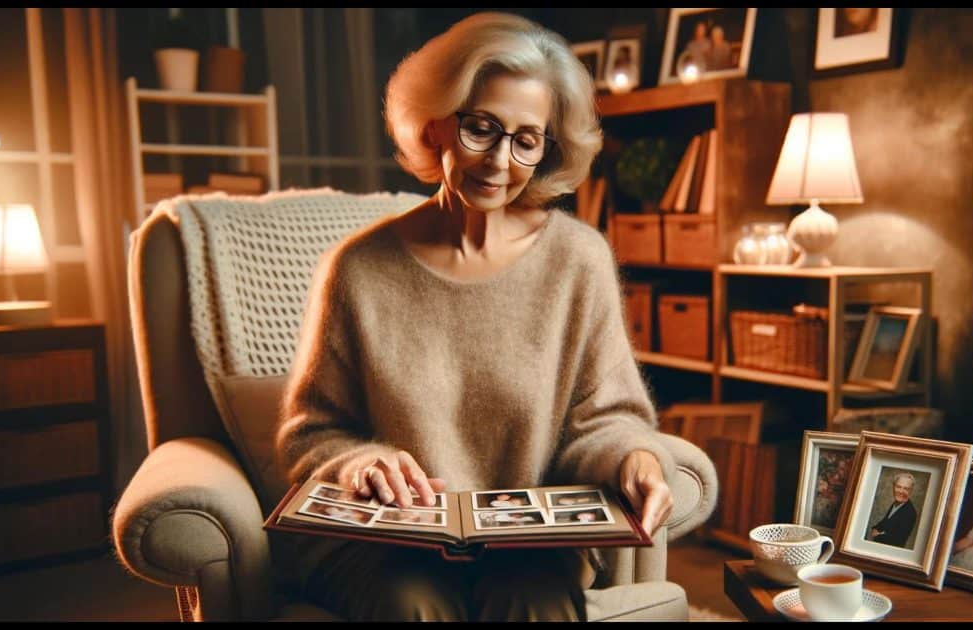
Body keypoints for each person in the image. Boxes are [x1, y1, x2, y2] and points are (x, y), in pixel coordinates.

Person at [274, 12, 675, 622]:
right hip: (391, 545)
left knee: (535, 606)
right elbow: (311, 433)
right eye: (481, 128)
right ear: (435, 124)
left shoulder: (579, 262)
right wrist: (359, 462)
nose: (499, 160)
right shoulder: (357, 269)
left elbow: (606, 418)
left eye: (526, 138)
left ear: (547, 148)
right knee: (413, 607)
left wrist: (634, 457)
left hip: (528, 549)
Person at [867, 471, 918, 547]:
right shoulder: (896, 504)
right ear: (893, 487)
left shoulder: (910, 513)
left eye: (906, 489)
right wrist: (876, 528)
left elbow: (897, 540)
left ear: (911, 491)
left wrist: (878, 535)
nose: (901, 491)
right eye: (898, 487)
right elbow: (885, 522)